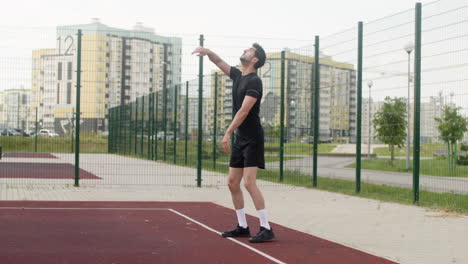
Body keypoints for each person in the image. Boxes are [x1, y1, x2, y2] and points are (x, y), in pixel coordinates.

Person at [192, 43, 274, 243]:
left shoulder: (254, 82)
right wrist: (208, 51)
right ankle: (243, 226)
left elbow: (244, 111)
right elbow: (219, 61)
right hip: (241, 138)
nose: (245, 51)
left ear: (254, 60)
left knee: (248, 182)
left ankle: (266, 227)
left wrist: (227, 132)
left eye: (249, 51)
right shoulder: (238, 76)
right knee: (232, 182)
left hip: (253, 138)